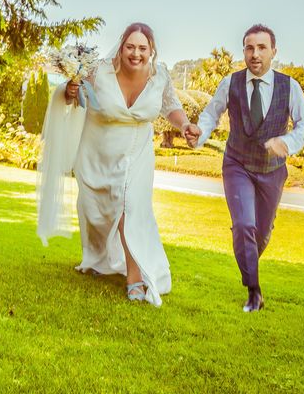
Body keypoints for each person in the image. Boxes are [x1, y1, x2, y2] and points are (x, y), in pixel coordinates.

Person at [37, 22, 197, 306]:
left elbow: (170, 107)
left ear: (152, 51)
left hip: (137, 154)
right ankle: (100, 260)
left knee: (130, 207)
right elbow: (72, 95)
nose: (136, 54)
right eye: (130, 47)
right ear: (122, 47)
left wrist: (184, 124)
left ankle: (134, 277)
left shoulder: (160, 76)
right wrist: (70, 91)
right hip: (97, 152)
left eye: (142, 48)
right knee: (97, 214)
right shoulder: (98, 71)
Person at [185, 24, 304, 312]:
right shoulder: (230, 83)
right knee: (244, 224)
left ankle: (249, 250)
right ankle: (253, 290)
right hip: (237, 164)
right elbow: (211, 113)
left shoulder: (289, 86)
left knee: (261, 232)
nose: (255, 54)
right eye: (249, 47)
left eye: (261, 48)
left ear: (274, 51)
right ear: (244, 50)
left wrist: (287, 141)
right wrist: (200, 132)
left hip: (272, 170)